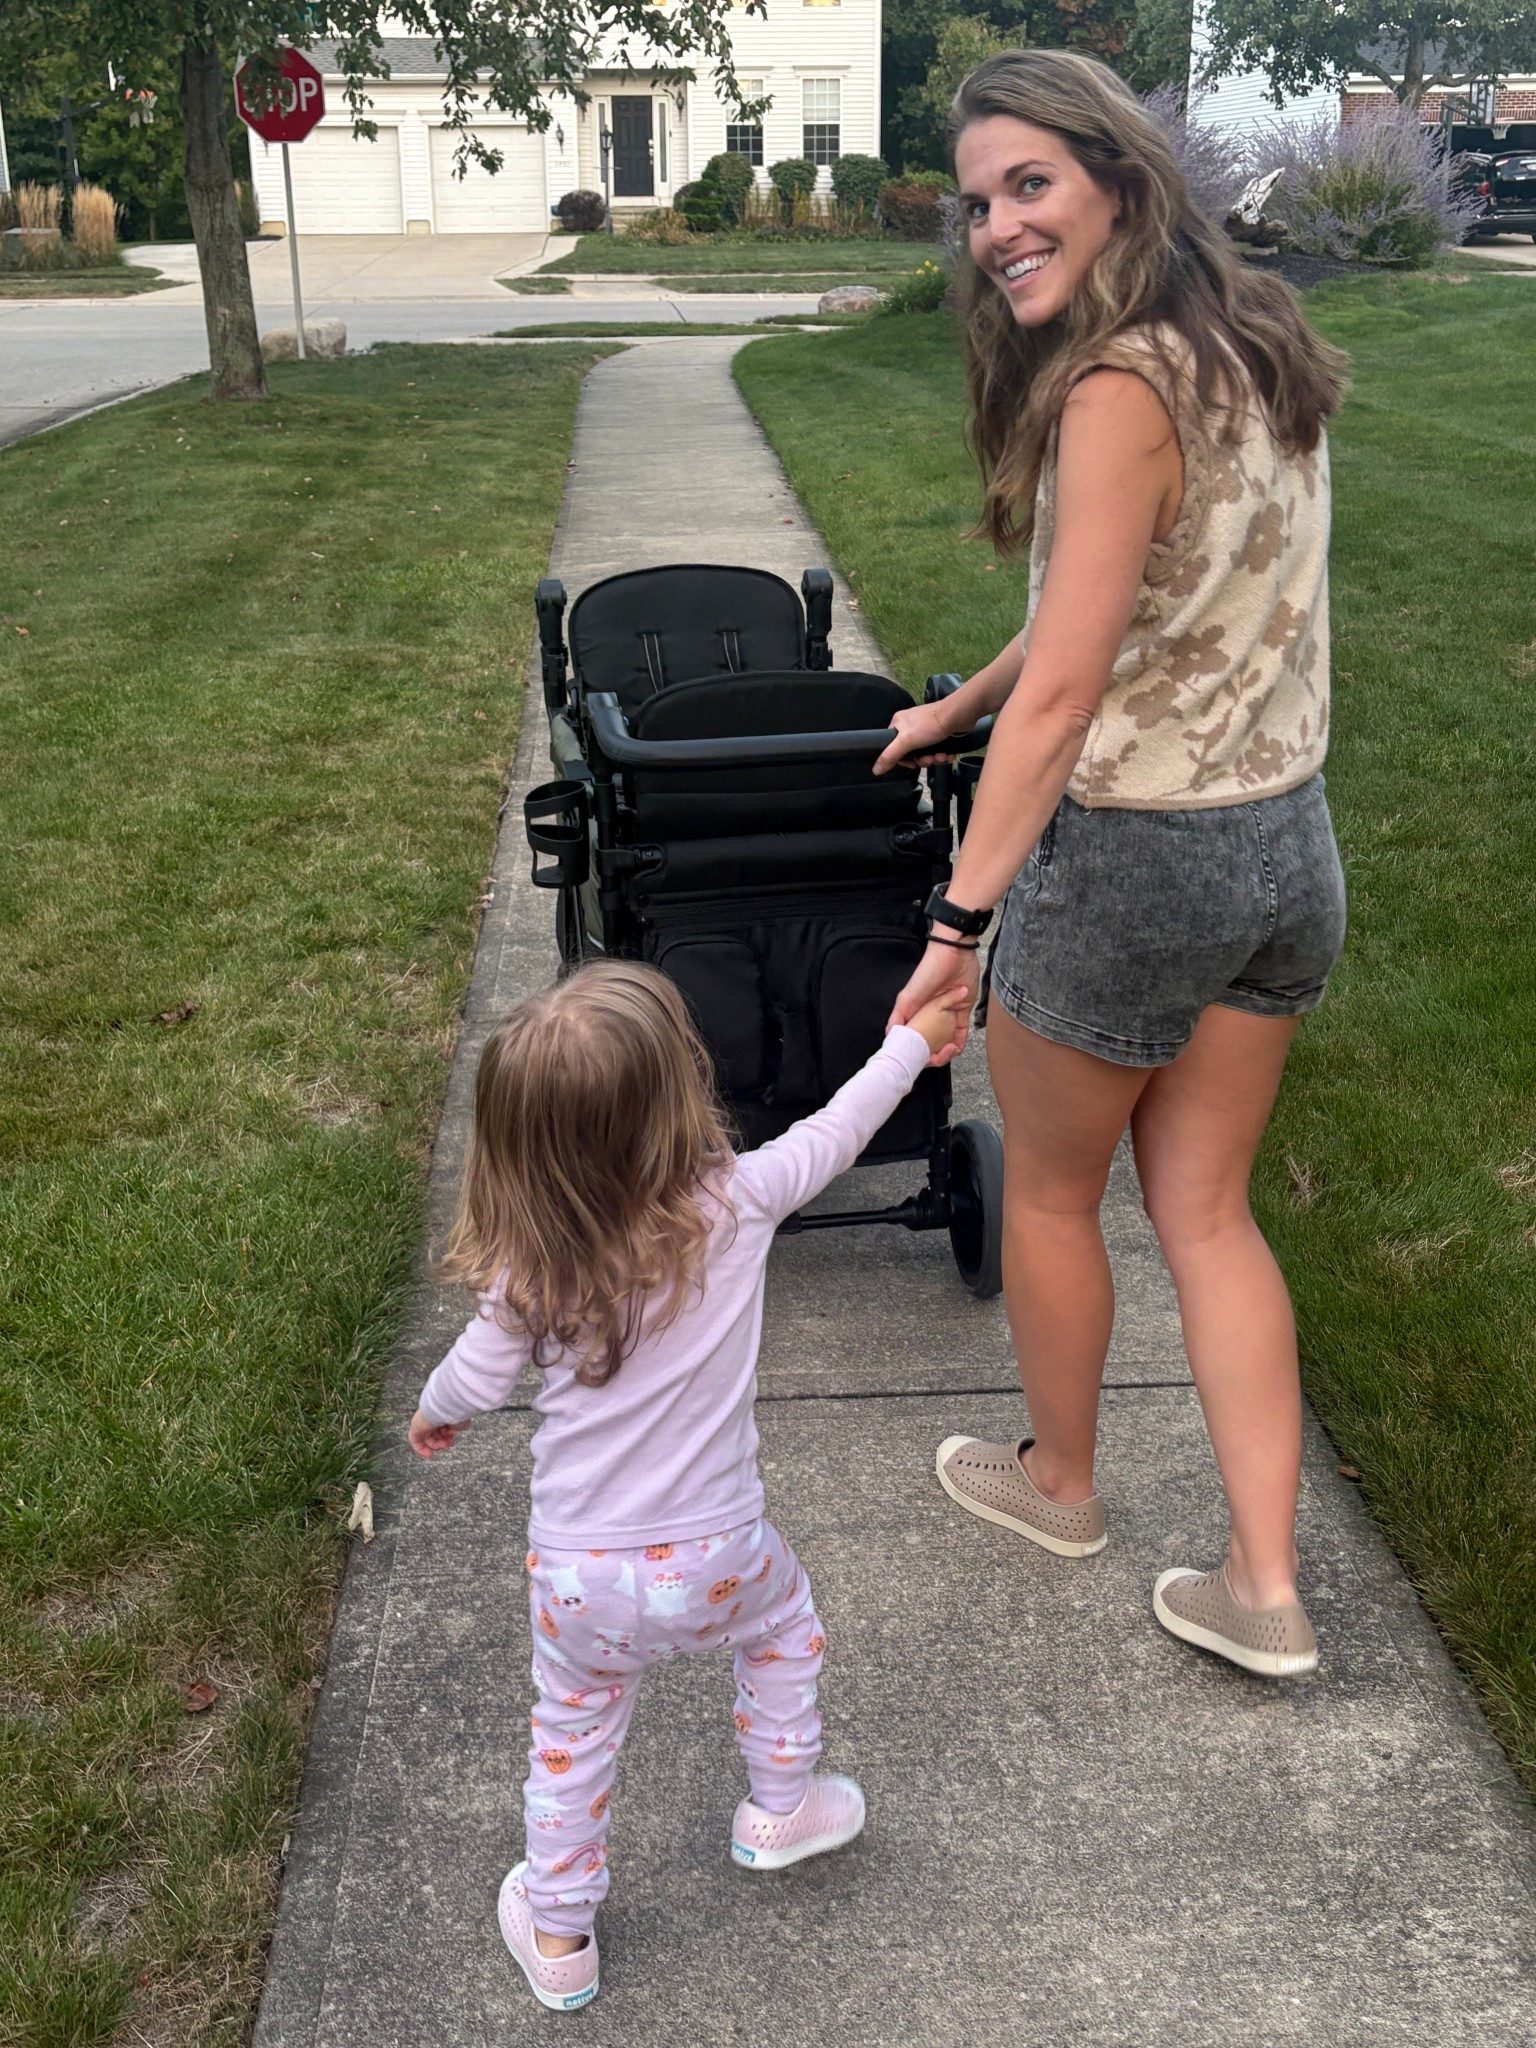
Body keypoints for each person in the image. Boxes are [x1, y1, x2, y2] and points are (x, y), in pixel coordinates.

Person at [876, 50, 1349, 1680]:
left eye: (1030, 186)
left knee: (1059, 1192)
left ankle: (1063, 1484)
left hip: (1142, 860)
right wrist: (959, 699)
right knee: (1207, 1211)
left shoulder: (1114, 389)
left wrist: (958, 922)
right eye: (978, 198)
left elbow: (1075, 690)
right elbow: (1115, 612)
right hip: (1288, 852)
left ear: (1119, 178)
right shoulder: (1251, 339)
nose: (996, 225)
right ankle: (1265, 1586)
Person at [408, 960, 968, 2012]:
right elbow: (843, 1124)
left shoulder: (529, 1268)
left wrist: (433, 1416)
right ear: (681, 1094)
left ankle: (562, 1930)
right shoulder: (740, 1201)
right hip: (721, 1557)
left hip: (579, 1578)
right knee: (785, 1626)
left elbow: (469, 1380)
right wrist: (913, 1041)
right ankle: (781, 1803)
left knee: (571, 1733)